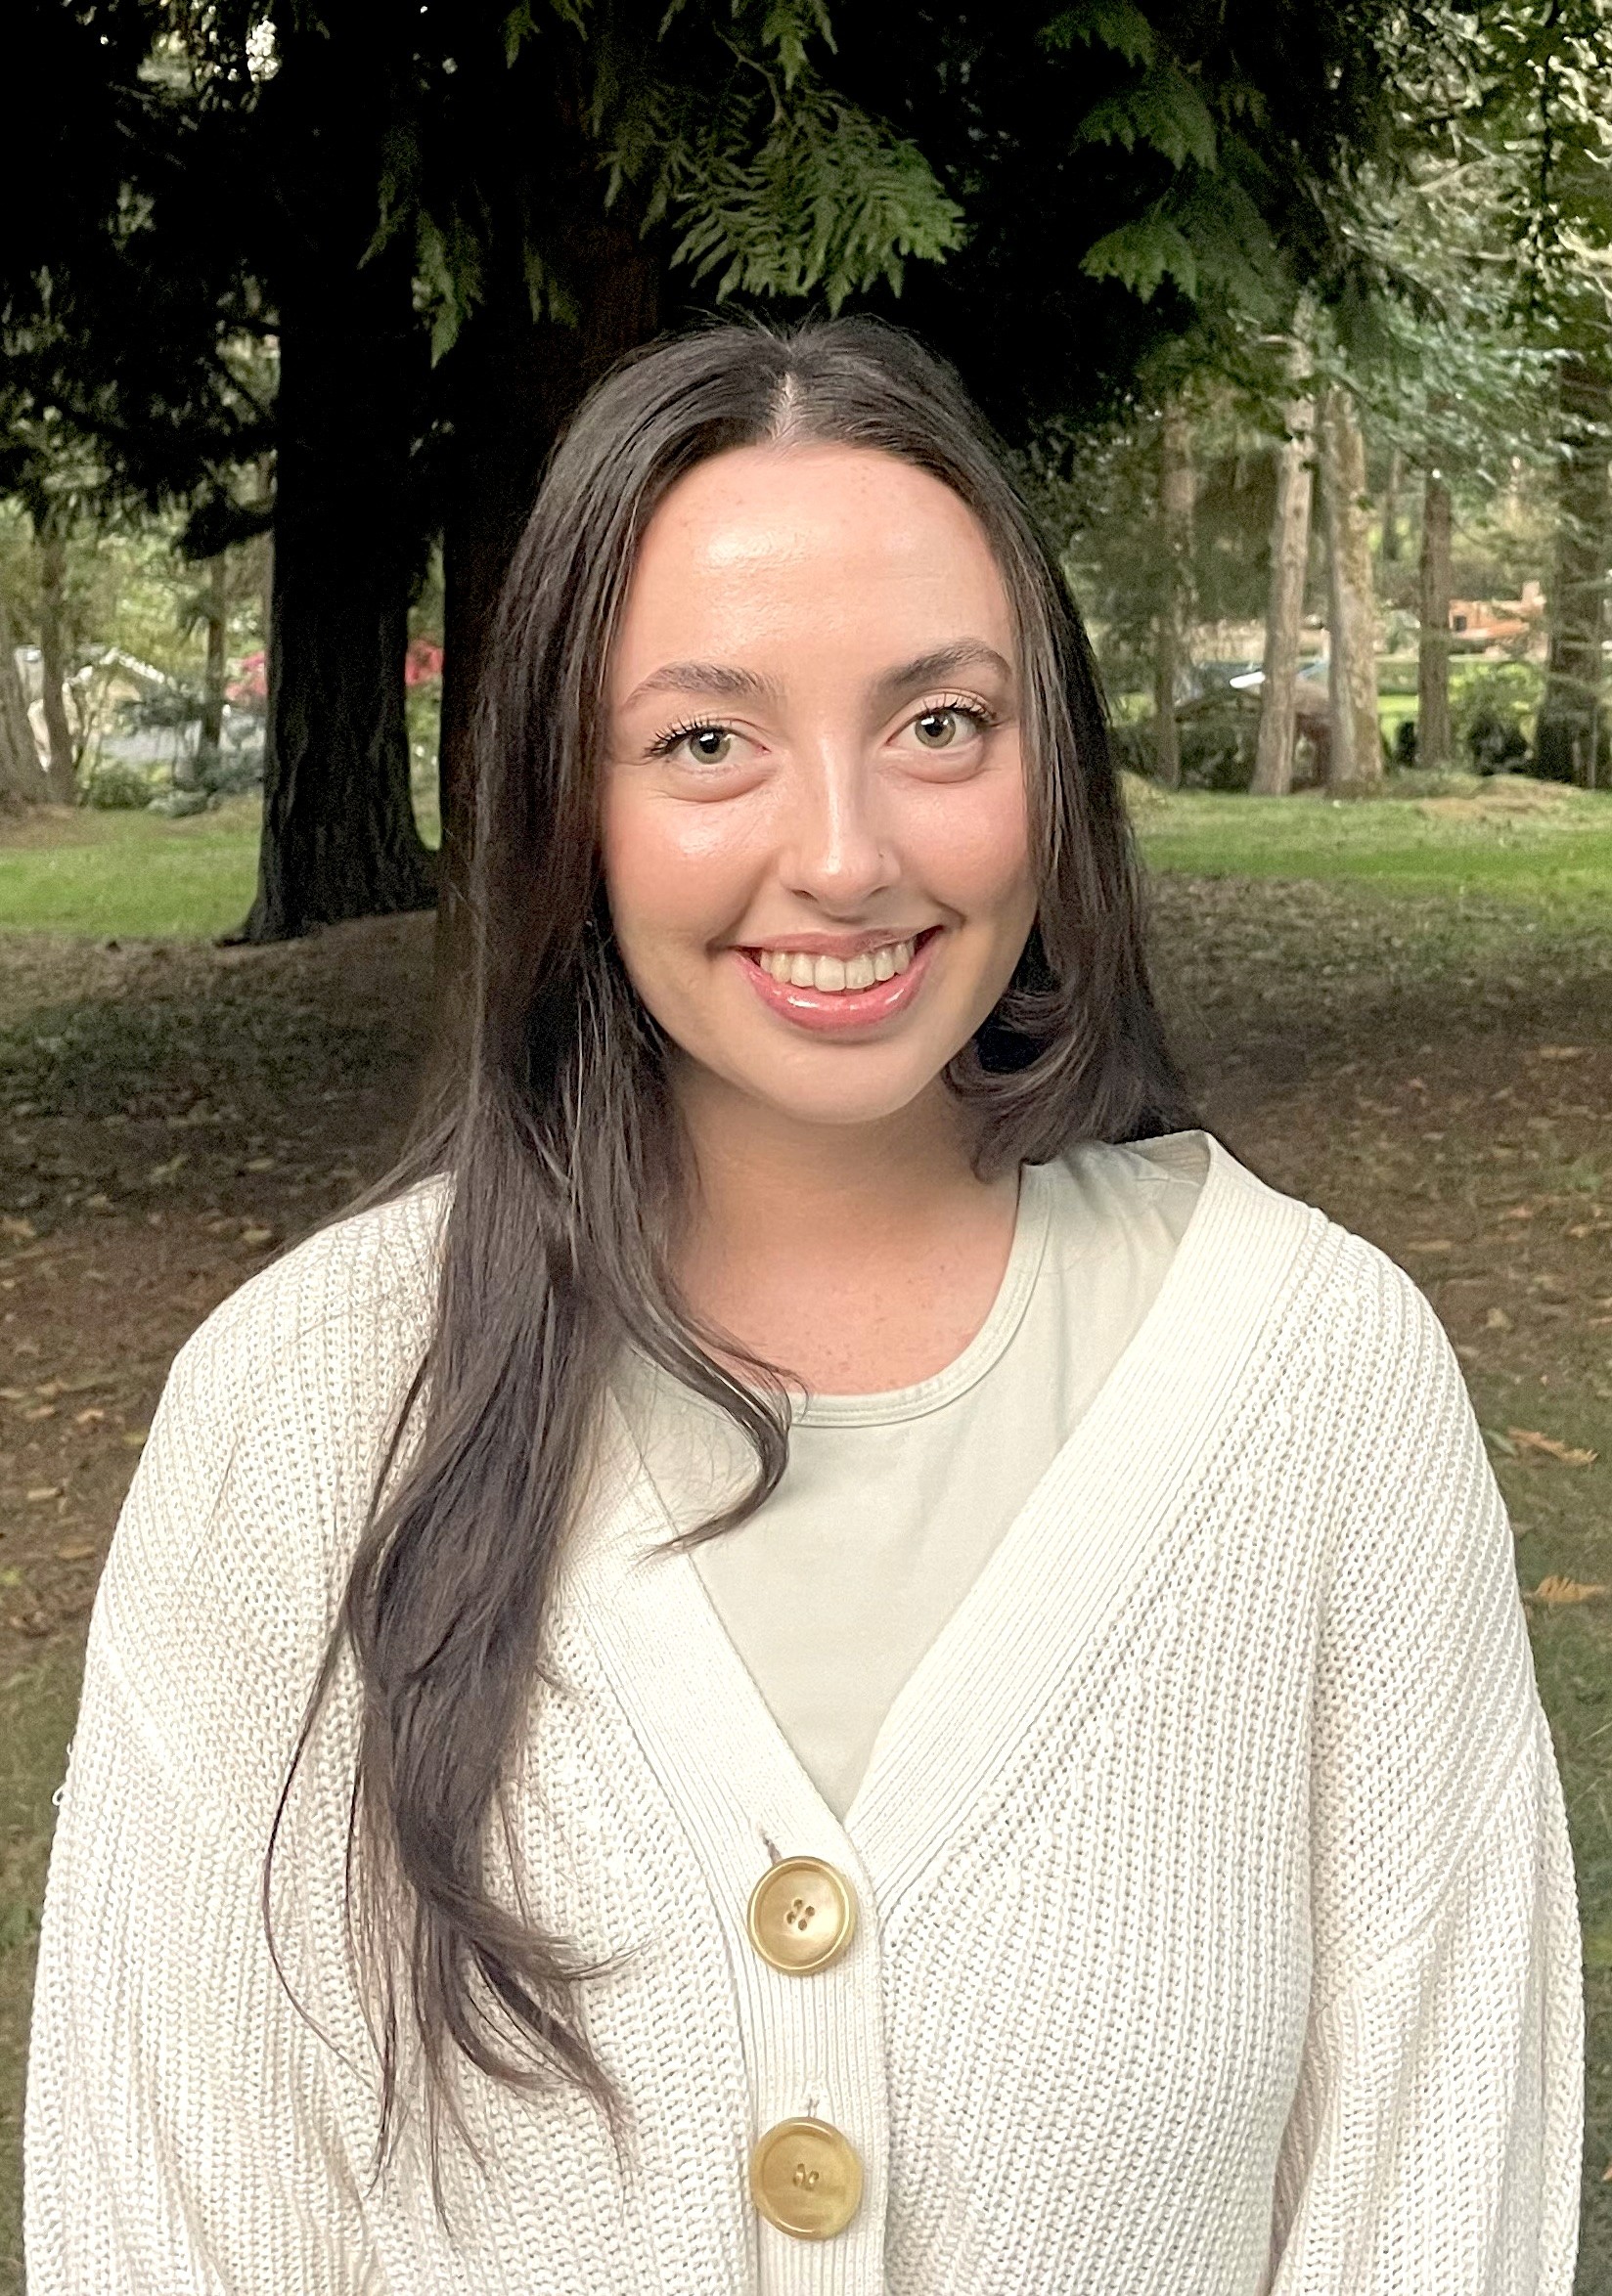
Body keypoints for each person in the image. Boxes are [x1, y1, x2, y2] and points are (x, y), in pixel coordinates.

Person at [24, 319, 1583, 2293]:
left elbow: (1433, 2192)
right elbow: (166, 2224)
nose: (842, 856)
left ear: (1048, 762)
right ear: (564, 800)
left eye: (939, 724)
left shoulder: (1318, 1383)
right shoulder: (303, 1419)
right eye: (704, 741)